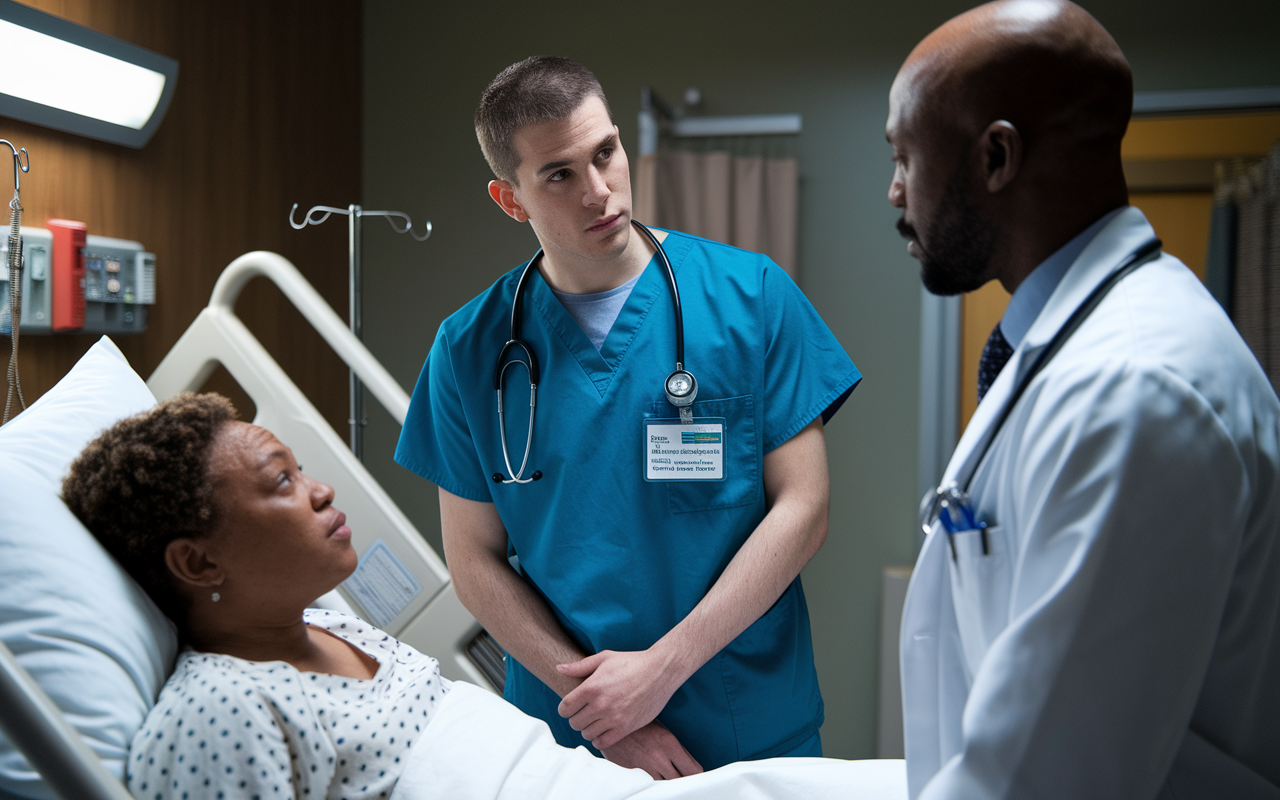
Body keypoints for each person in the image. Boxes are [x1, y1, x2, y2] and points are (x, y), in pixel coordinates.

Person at [61, 393, 907, 800]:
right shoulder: (220, 708)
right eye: (281, 482)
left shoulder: (325, 626)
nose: (320, 491)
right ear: (198, 562)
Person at [394, 56, 860, 777]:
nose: (600, 191)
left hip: (746, 716)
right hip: (571, 738)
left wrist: (661, 671)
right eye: (559, 174)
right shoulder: (469, 350)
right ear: (510, 199)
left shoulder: (751, 296)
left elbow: (805, 506)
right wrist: (607, 718)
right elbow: (474, 561)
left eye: (605, 153)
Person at [886, 1, 1280, 798]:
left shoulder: (1132, 391)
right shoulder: (1069, 349)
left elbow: (1043, 784)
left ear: (997, 157)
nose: (895, 192)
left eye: (904, 157)